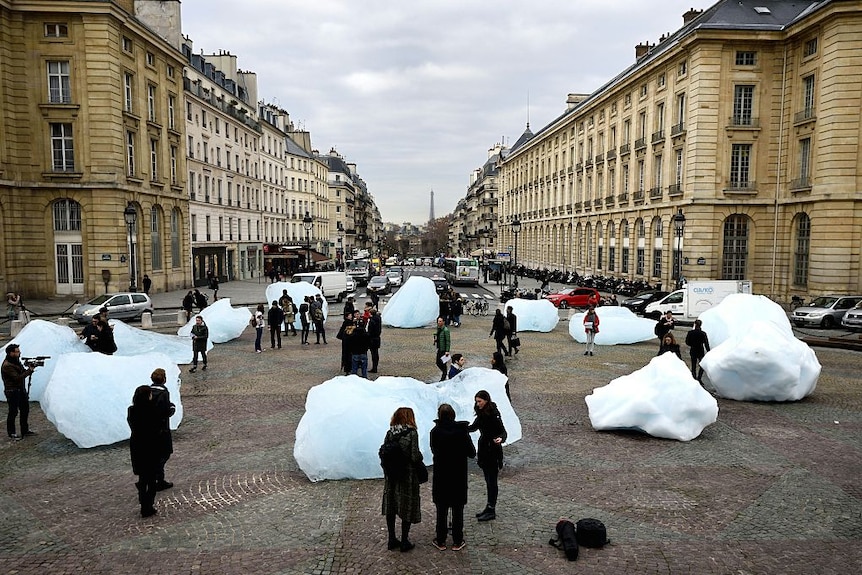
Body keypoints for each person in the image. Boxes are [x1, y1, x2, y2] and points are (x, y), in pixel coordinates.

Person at [429, 403, 476, 551]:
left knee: (441, 509)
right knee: (458, 509)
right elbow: (472, 452)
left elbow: (434, 450)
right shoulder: (461, 432)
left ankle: (441, 540)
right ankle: (457, 540)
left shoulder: (435, 432)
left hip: (442, 475)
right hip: (458, 475)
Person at [381, 407, 424, 553]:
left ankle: (391, 539)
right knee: (407, 505)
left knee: (391, 505)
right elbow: (414, 456)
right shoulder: (412, 433)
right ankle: (404, 540)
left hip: (391, 475)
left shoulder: (390, 432)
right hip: (407, 475)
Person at [467, 390, 507, 522]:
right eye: (476, 401)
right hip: (484, 450)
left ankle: (491, 509)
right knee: (488, 480)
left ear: (486, 400)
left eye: (479, 401)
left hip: (493, 451)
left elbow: (503, 431)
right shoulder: (481, 414)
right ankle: (489, 507)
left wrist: (500, 438)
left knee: (492, 482)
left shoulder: (493, 414)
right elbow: (473, 427)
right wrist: (458, 427)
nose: (477, 404)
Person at [127, 385, 161, 517]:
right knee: (151, 478)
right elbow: (156, 427)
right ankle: (148, 505)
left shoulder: (132, 410)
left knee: (143, 476)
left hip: (137, 445)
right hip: (151, 446)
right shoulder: (152, 410)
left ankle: (143, 501)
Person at [149, 368, 175, 491]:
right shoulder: (163, 393)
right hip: (162, 429)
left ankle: (155, 478)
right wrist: (172, 408)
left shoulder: (148, 391)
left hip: (150, 429)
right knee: (164, 454)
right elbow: (165, 411)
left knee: (154, 454)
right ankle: (159, 479)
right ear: (164, 379)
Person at [3, 343, 35, 440]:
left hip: (20, 390)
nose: (19, 353)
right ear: (11, 353)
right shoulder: (7, 365)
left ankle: (25, 430)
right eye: (17, 352)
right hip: (12, 391)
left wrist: (28, 367)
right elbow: (18, 378)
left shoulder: (15, 361)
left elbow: (21, 372)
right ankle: (11, 433)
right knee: (13, 412)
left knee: (25, 410)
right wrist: (30, 370)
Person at [434, 317, 451, 381]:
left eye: (440, 321)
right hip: (439, 348)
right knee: (438, 362)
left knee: (442, 363)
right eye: (438, 321)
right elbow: (439, 338)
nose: (439, 322)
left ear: (443, 322)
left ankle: (444, 376)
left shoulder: (446, 330)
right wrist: (436, 340)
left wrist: (447, 350)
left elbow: (448, 341)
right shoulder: (439, 329)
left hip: (443, 350)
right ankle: (444, 373)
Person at [367, 308, 382, 373]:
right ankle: (375, 366)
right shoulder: (378, 319)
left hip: (372, 339)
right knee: (375, 353)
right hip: (377, 338)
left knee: (373, 354)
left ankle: (374, 368)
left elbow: (370, 331)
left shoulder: (372, 321)